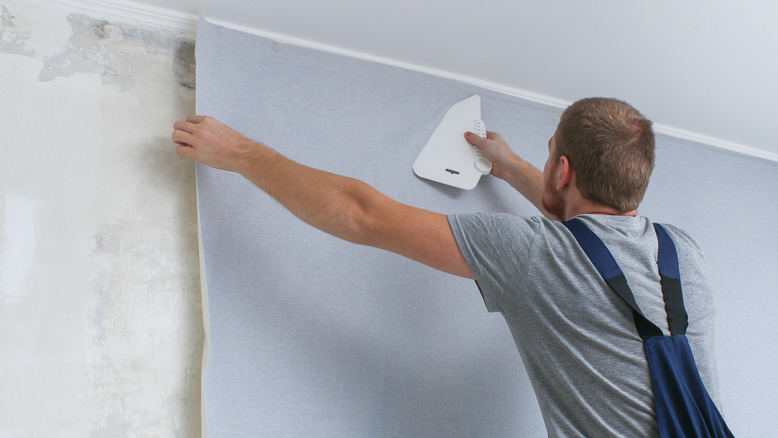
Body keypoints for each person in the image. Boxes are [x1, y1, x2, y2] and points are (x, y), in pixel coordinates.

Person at [172, 97, 720, 437]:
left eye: (550, 153)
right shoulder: (683, 253)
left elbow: (363, 214)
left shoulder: (534, 254)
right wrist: (509, 168)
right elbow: (590, 230)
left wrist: (240, 153)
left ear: (564, 172)